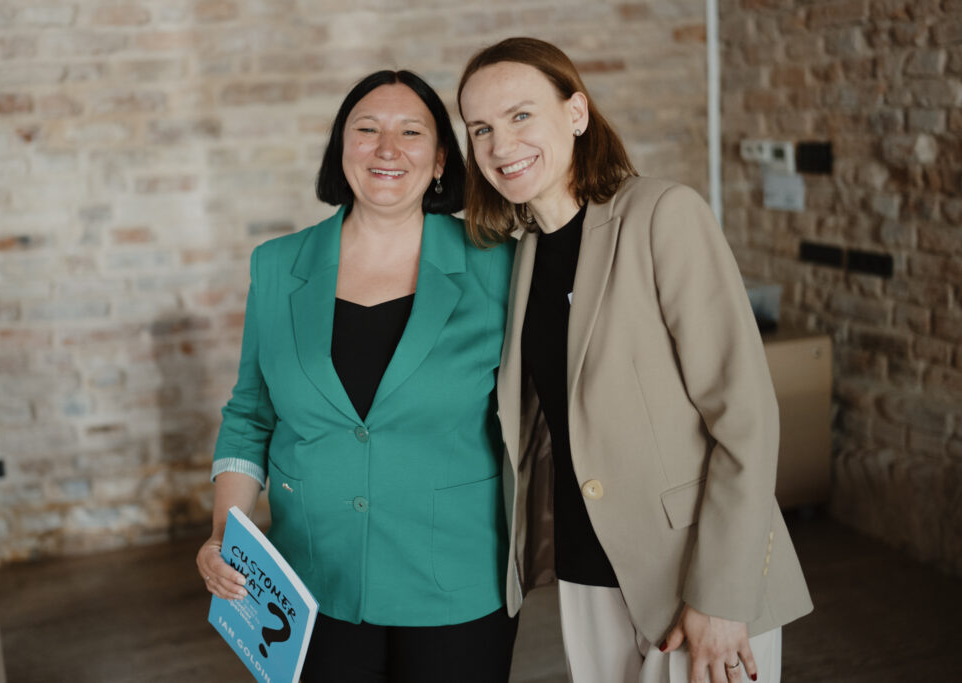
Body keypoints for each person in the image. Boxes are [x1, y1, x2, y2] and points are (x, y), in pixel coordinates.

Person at [457, 37, 813, 683]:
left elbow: (746, 418)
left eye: (520, 115)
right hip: (586, 568)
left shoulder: (661, 215)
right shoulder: (522, 253)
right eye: (480, 128)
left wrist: (722, 595)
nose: (501, 145)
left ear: (576, 113)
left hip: (695, 572)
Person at [196, 69, 518, 683]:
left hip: (457, 580)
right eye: (367, 130)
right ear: (341, 149)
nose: (387, 149)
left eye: (411, 132)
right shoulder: (277, 265)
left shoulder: (498, 263)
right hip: (311, 583)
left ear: (441, 159)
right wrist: (221, 535)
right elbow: (250, 415)